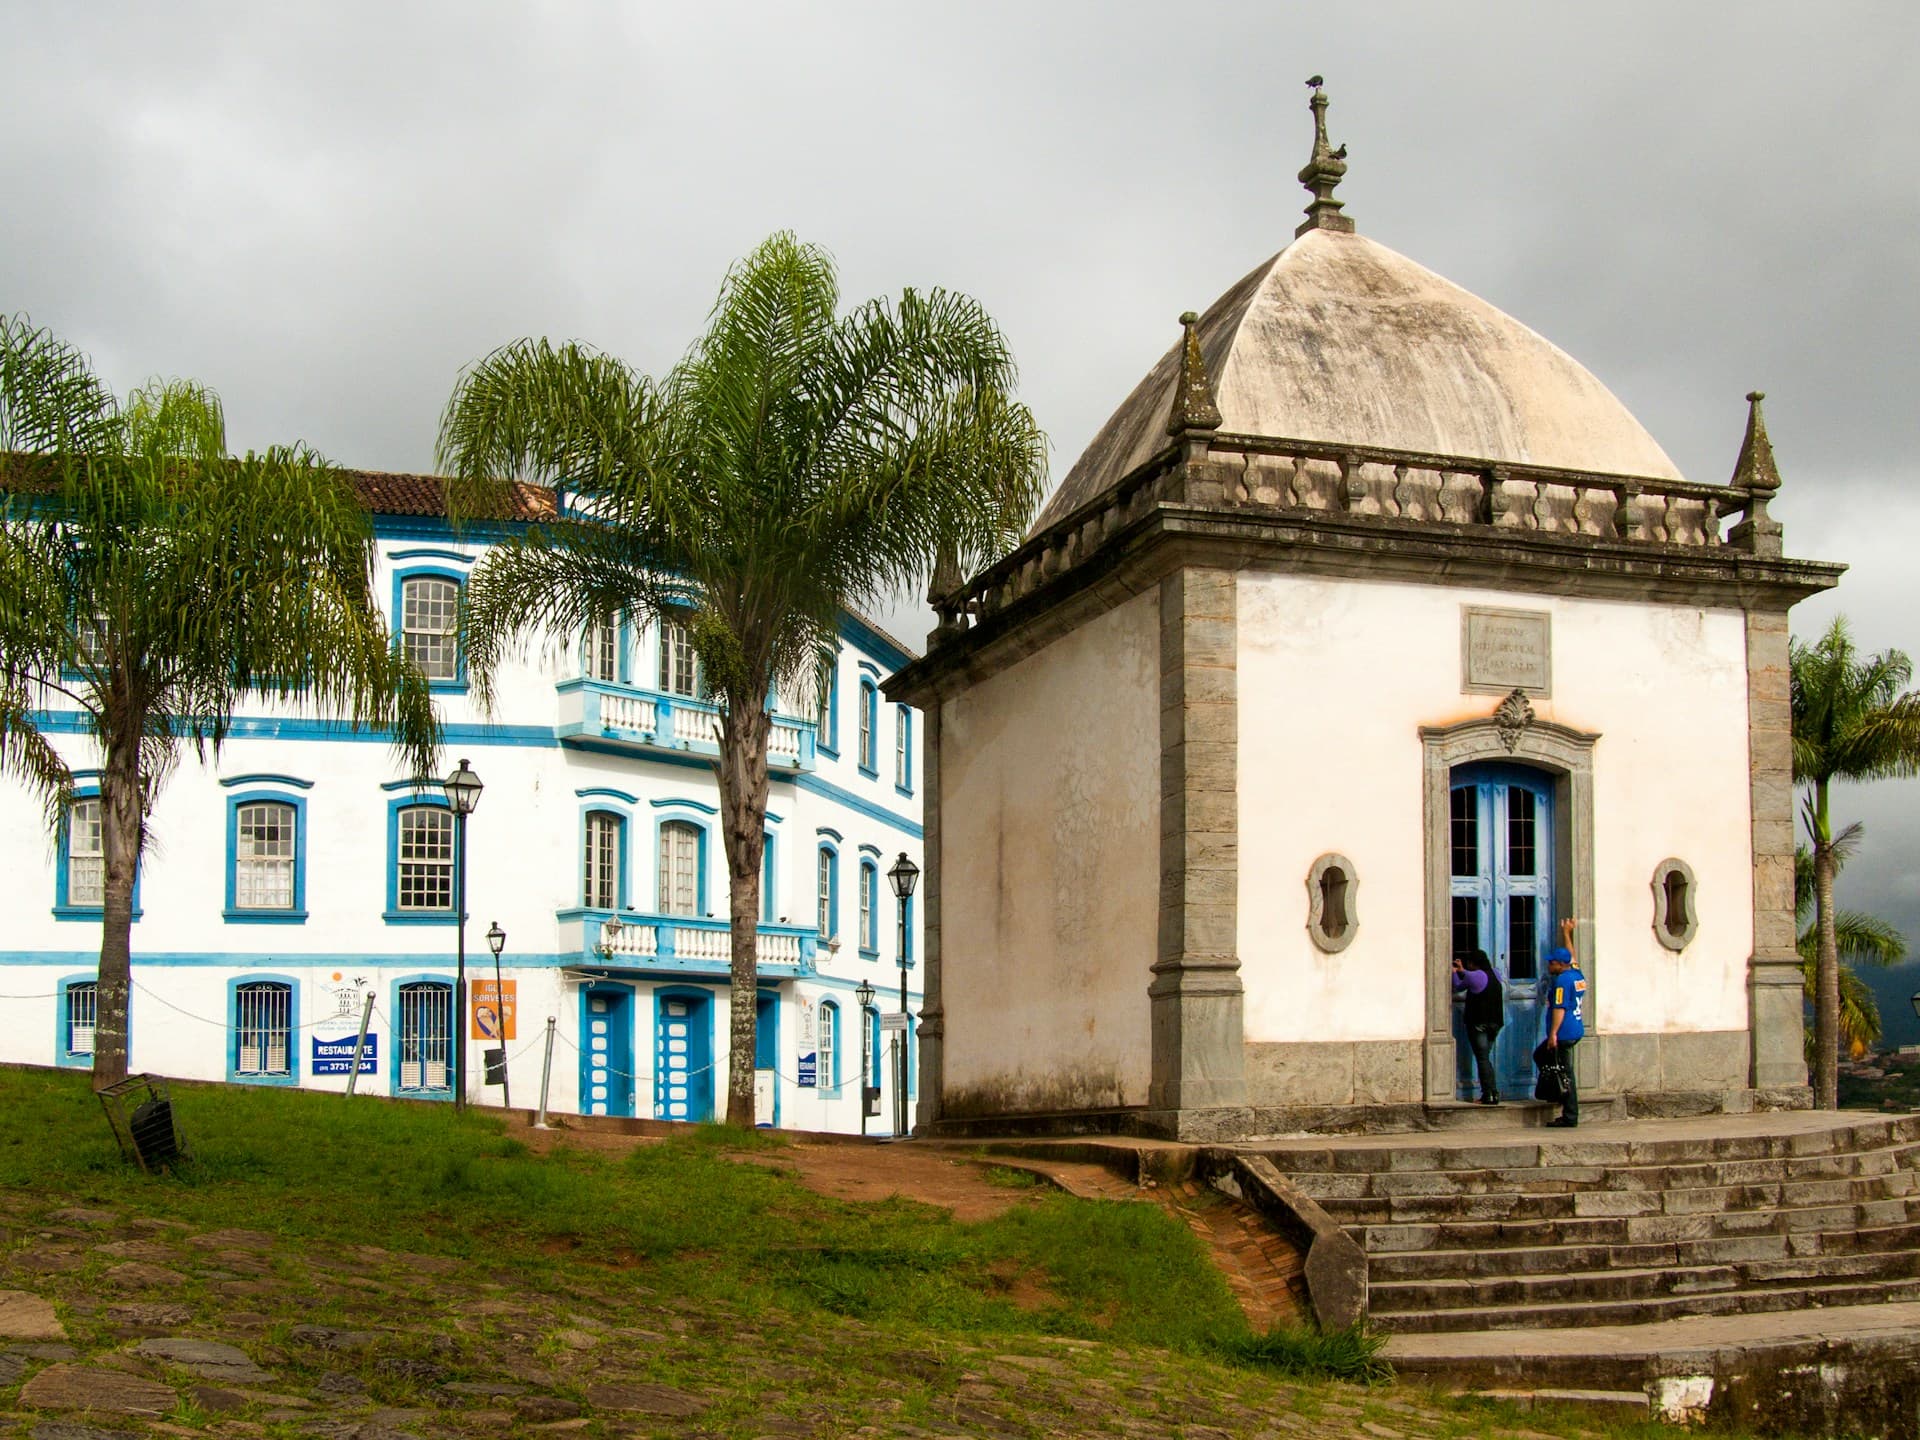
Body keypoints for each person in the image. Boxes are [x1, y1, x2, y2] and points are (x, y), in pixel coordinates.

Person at [1533, 916, 1586, 1127]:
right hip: (1575, 1028)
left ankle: (1570, 1114)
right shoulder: (1576, 974)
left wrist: (1553, 1034)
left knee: (1565, 1073)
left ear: (1560, 965)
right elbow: (1572, 956)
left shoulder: (1562, 981)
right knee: (1544, 1058)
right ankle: (1556, 1093)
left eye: (1552, 962)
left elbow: (1559, 1008)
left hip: (1564, 1031)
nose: (1549, 965)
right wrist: (1566, 933)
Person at [1451, 948, 1504, 1104]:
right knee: (1485, 1058)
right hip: (1495, 1022)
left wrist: (1454, 972)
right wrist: (1463, 970)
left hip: (1479, 1022)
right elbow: (1475, 977)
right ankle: (1494, 1093)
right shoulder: (1496, 973)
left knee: (1482, 1059)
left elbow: (1458, 986)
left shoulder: (1473, 976)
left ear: (1473, 963)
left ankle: (1487, 1095)